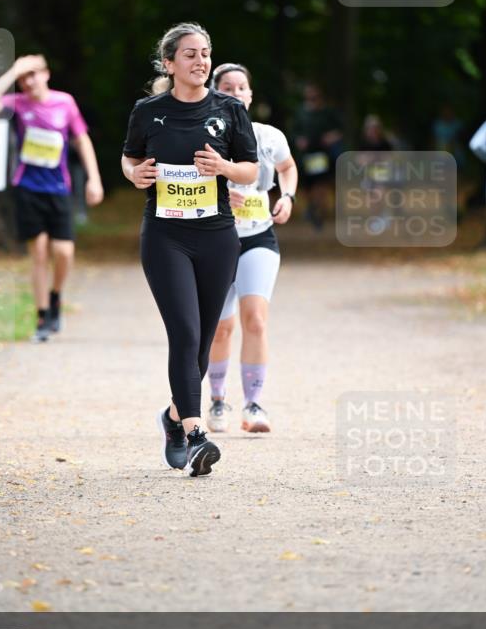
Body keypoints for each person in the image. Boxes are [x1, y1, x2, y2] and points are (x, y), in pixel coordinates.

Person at [121, 23, 258, 477]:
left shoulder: (230, 110)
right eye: (190, 55)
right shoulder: (148, 111)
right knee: (184, 331)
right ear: (169, 64)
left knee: (200, 340)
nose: (200, 61)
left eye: (206, 53)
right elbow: (130, 156)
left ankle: (174, 418)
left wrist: (222, 166)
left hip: (217, 236)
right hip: (165, 237)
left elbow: (250, 171)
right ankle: (198, 434)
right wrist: (133, 173)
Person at [0, 54, 104, 340]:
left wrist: (94, 178)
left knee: (64, 252)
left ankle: (56, 295)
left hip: (59, 188)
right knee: (38, 254)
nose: (30, 81)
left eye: (34, 74)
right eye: (25, 77)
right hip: (27, 188)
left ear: (47, 74)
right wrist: (13, 71)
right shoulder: (18, 104)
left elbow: (82, 140)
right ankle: (42, 317)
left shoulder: (65, 102)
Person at [205, 62, 298, 434]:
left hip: (259, 237)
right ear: (215, 95)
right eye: (226, 87)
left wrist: (287, 196)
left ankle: (254, 404)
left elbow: (288, 167)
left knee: (256, 320)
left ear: (250, 96)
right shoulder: (205, 135)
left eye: (241, 87)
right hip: (216, 240)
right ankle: (216, 400)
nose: (235, 93)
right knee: (220, 329)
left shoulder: (268, 136)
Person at [292, 82, 343, 229]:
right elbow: (294, 132)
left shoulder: (328, 112)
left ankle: (319, 212)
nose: (312, 98)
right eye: (309, 96)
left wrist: (331, 137)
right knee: (308, 186)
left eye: (314, 96)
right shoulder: (301, 113)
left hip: (322, 154)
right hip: (306, 155)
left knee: (321, 184)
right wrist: (299, 140)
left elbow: (339, 130)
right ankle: (312, 209)